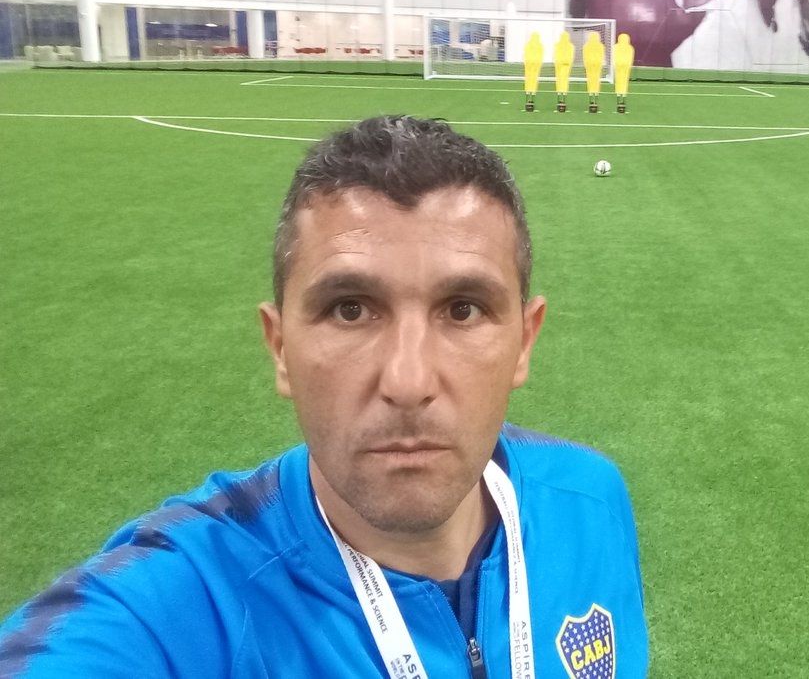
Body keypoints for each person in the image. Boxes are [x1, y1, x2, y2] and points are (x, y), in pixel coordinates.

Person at [0, 115, 648, 678]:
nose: (408, 383)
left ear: (524, 342)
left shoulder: (590, 499)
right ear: (280, 346)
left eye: (462, 309)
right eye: (349, 309)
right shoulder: (179, 604)